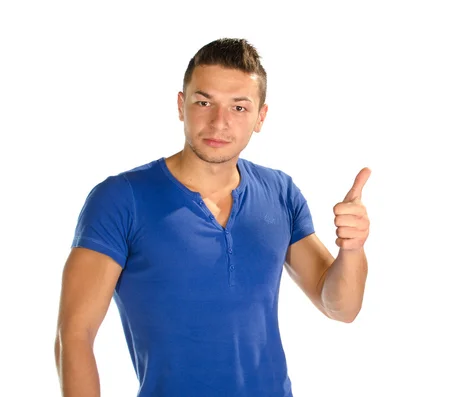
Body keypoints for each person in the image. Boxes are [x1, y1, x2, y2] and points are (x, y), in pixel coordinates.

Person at [54, 37, 371, 397]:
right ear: (181, 105)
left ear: (260, 117)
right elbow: (74, 336)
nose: (219, 122)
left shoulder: (280, 192)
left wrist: (352, 249)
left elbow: (340, 308)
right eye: (204, 102)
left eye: (239, 107)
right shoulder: (120, 199)